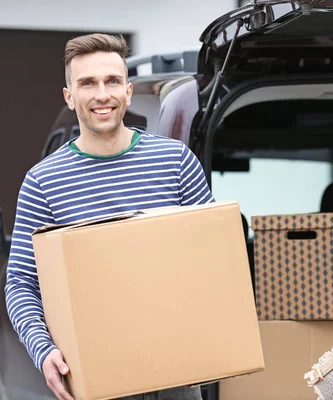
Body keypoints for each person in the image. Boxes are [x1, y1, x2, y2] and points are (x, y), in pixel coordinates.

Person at [4, 33, 214, 400]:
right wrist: (44, 352)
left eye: (112, 81)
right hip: (93, 377)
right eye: (87, 83)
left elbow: (213, 259)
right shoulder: (43, 182)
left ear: (128, 92)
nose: (102, 94)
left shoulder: (176, 162)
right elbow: (21, 283)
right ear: (70, 97)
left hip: (177, 375)